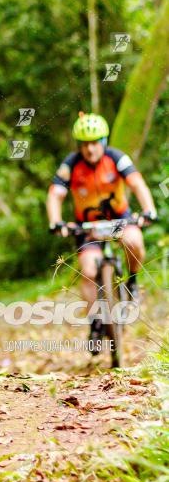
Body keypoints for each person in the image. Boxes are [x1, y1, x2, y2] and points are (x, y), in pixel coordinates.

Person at [46, 112, 157, 352]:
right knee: (88, 270)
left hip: (119, 219)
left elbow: (137, 184)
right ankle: (96, 321)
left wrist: (148, 210)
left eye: (95, 142)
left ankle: (133, 281)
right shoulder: (71, 164)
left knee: (134, 241)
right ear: (79, 145)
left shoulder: (117, 158)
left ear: (104, 142)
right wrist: (55, 221)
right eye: (85, 143)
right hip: (87, 226)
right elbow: (56, 193)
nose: (90, 148)